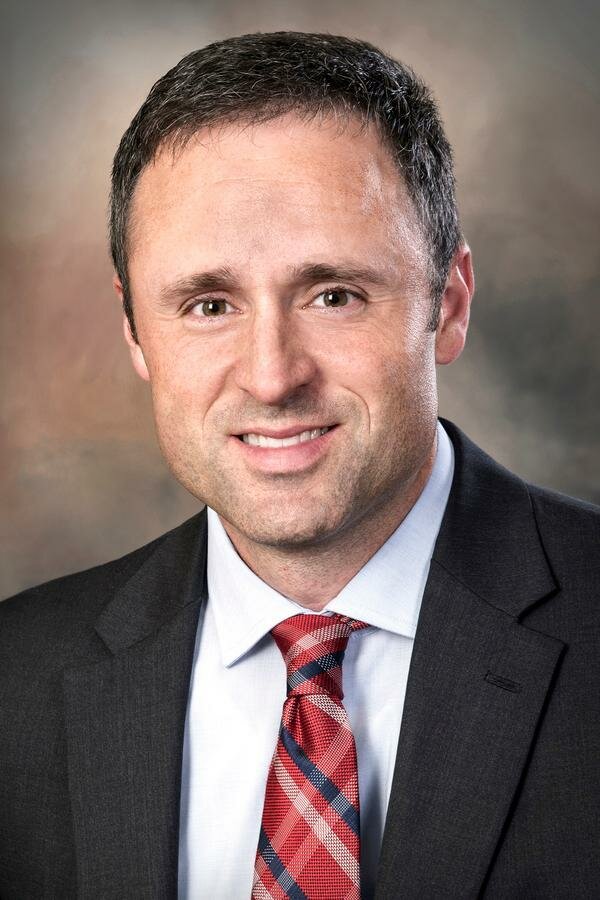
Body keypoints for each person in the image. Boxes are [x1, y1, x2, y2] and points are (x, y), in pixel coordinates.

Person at [1, 31, 598, 900]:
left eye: (333, 295)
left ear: (448, 304)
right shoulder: (15, 680)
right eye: (209, 305)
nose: (273, 376)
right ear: (135, 332)